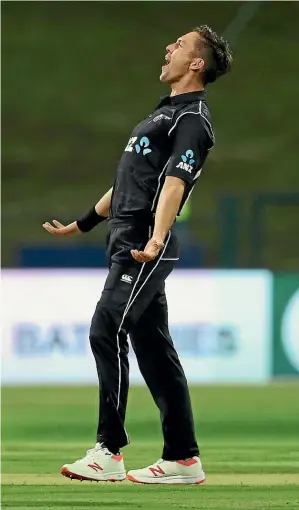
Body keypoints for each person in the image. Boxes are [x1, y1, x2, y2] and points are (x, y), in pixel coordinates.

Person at [43, 25, 232, 485]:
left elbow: (174, 184)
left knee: (105, 329)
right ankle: (183, 460)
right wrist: (83, 222)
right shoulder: (163, 115)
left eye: (180, 45)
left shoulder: (193, 120)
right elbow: (129, 183)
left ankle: (109, 451)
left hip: (143, 247)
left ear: (196, 64)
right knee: (155, 352)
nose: (168, 47)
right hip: (128, 240)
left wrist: (155, 239)